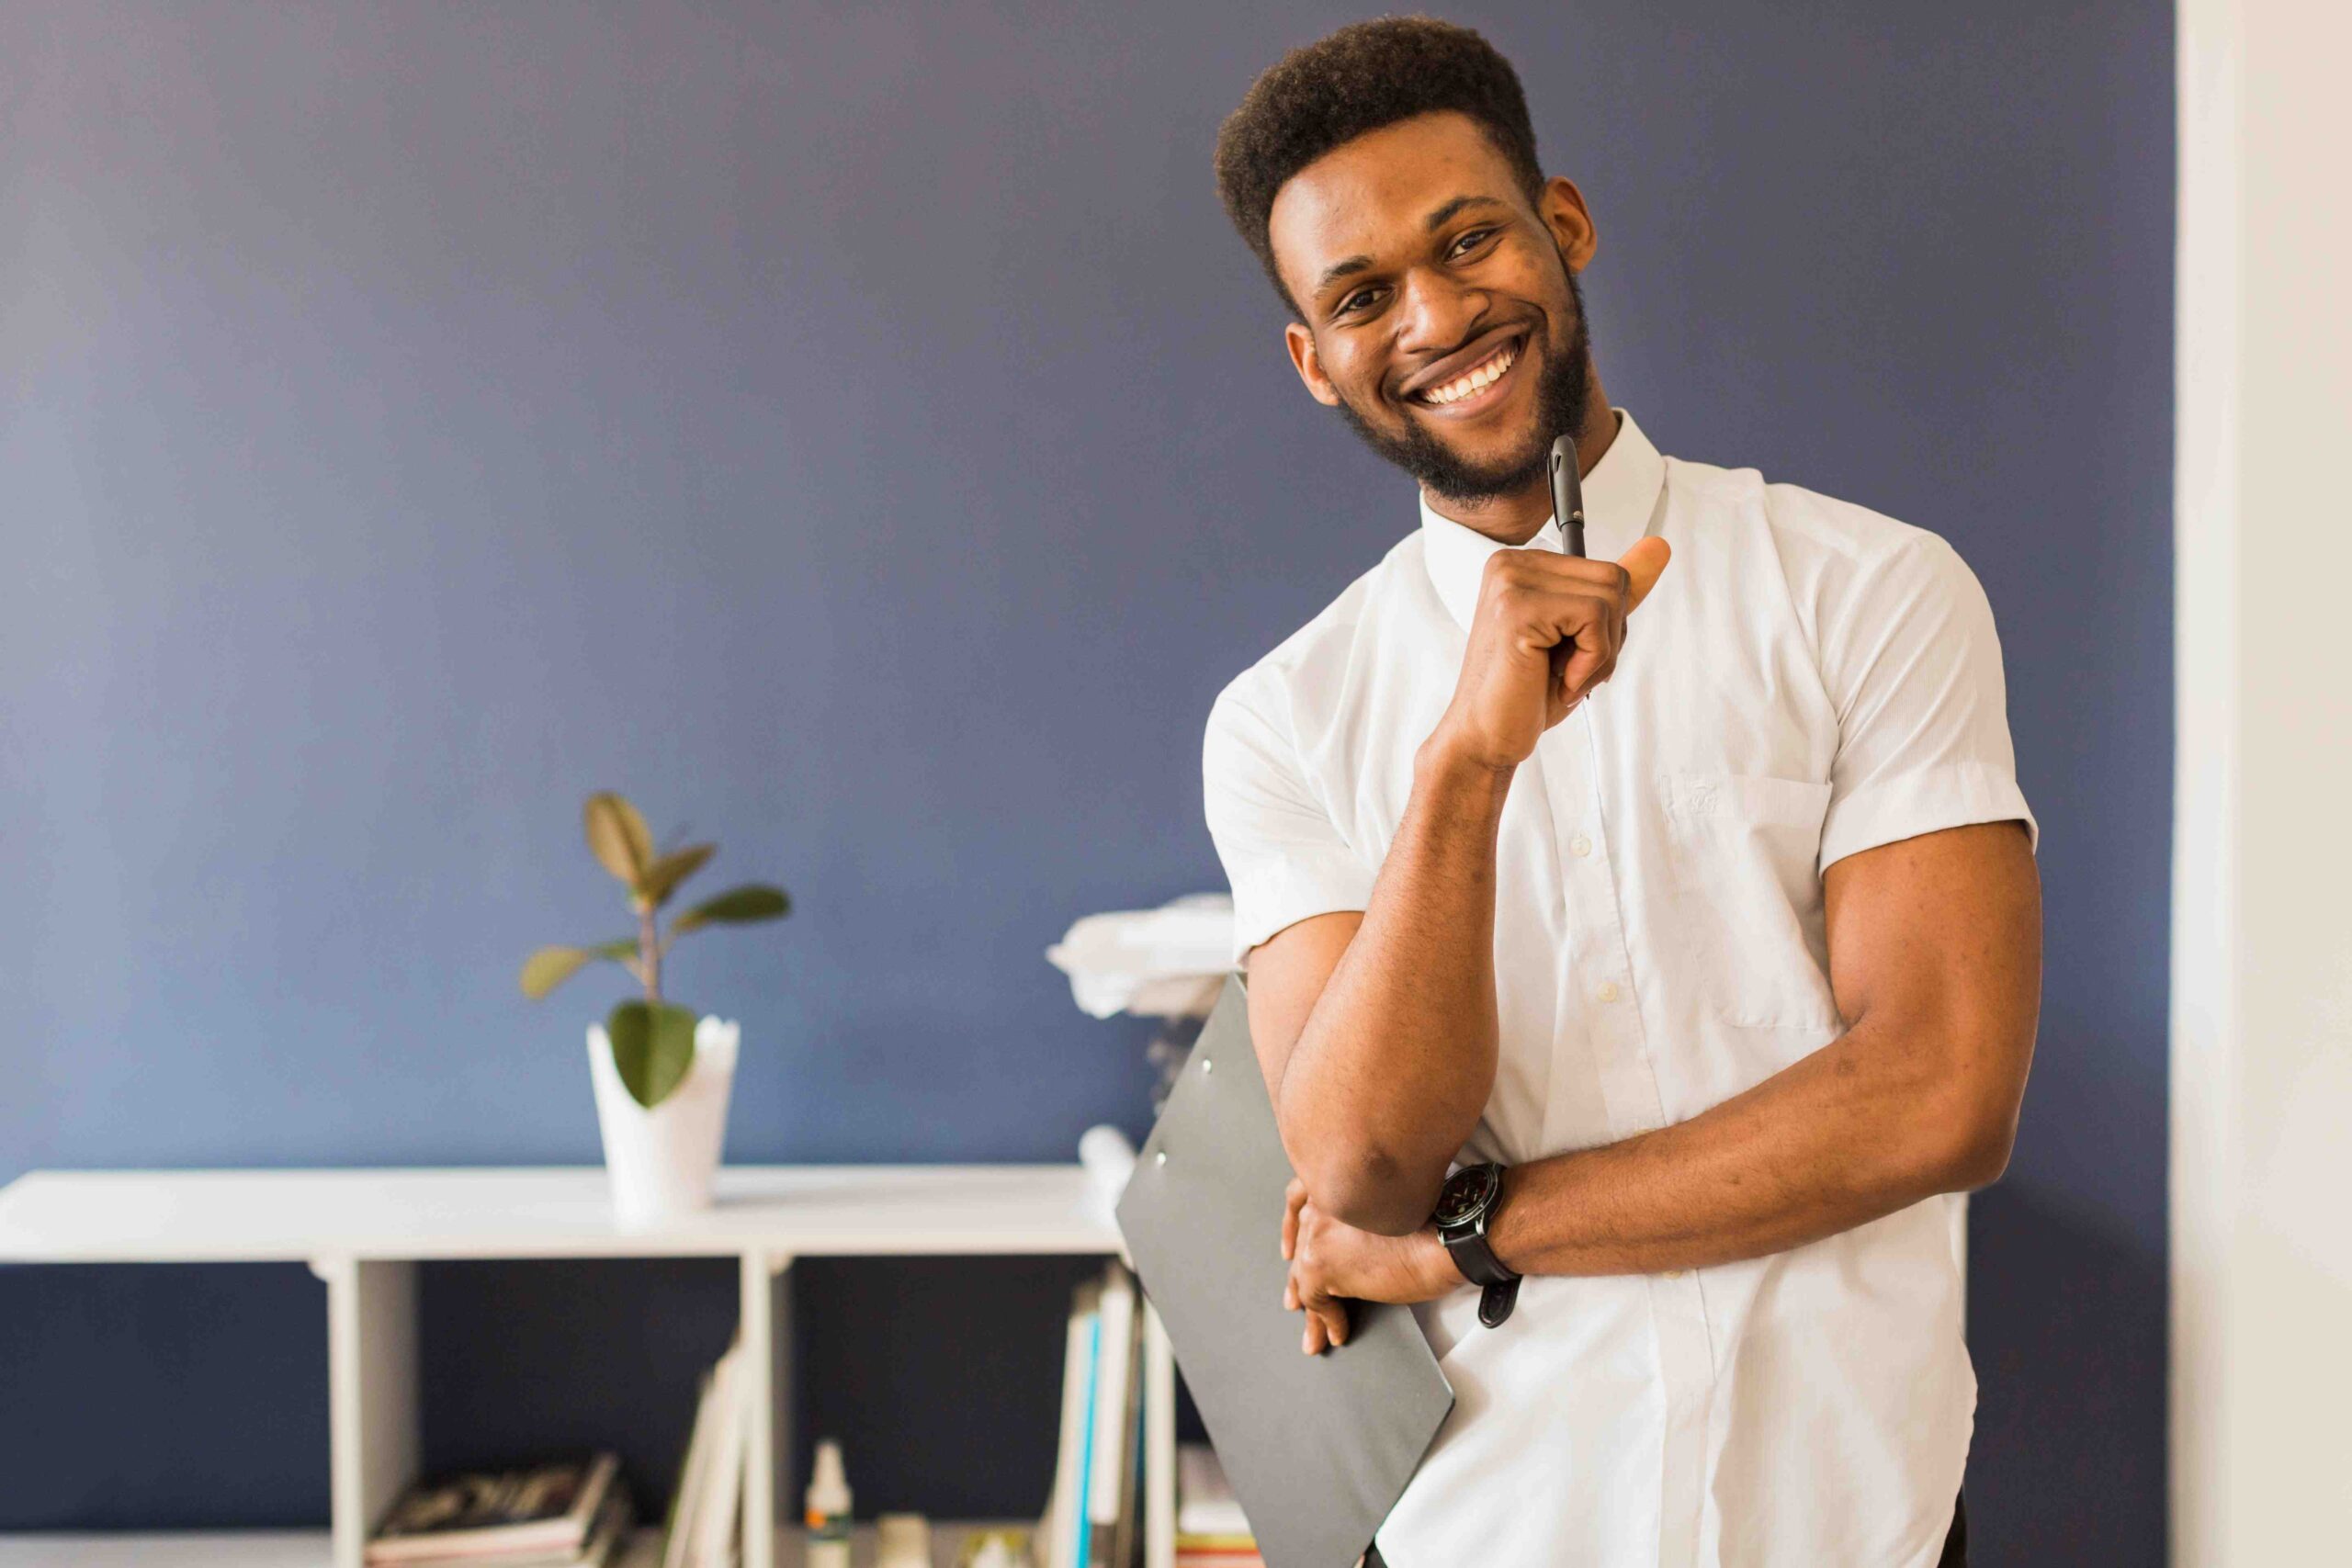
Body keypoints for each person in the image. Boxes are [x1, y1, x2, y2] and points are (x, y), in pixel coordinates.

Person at [1200, 17, 2039, 1568]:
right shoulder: (1284, 720)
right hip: (1490, 1531)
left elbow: (1940, 1092)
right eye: (1364, 294)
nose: (1440, 315)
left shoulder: (1870, 592)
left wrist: (1473, 1237)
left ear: (1561, 225)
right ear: (1315, 362)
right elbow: (1366, 1162)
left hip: (1853, 1526)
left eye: (1470, 239)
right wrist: (1463, 768)